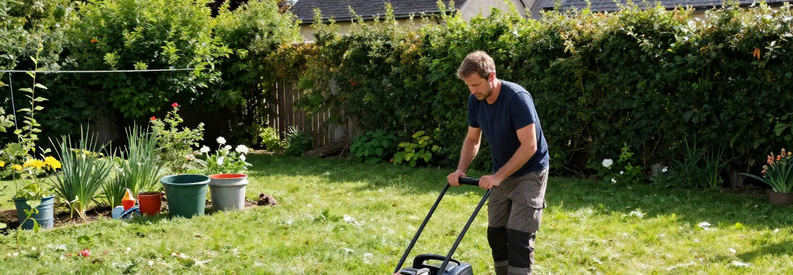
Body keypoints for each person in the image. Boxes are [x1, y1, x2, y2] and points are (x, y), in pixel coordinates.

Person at [446, 51, 549, 275]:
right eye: (468, 86)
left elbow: (529, 146)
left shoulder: (517, 98)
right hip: (501, 172)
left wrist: (498, 177)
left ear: (491, 76)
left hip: (530, 171)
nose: (472, 91)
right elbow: (473, 139)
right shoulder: (475, 100)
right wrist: (461, 170)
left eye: (475, 85)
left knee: (519, 236)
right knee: (496, 233)